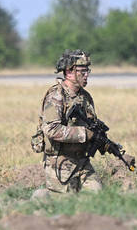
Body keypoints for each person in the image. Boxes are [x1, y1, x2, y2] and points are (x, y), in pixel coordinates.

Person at [38, 49, 102, 194]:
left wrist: (105, 144)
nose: (86, 75)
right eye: (82, 71)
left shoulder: (85, 97)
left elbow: (93, 127)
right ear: (69, 71)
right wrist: (84, 134)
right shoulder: (56, 95)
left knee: (97, 195)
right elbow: (51, 130)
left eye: (88, 71)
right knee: (64, 201)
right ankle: (40, 197)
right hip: (60, 162)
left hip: (82, 162)